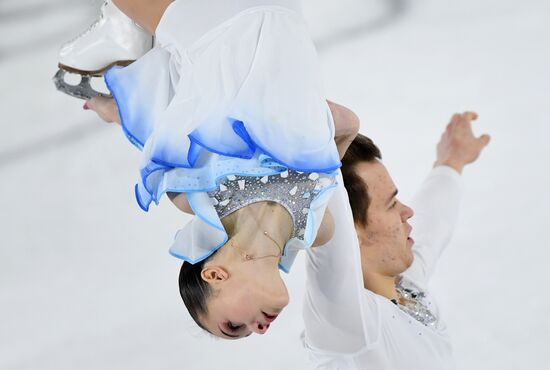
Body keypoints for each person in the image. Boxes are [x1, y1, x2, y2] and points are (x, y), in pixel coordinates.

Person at [58, 0, 360, 338]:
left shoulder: (195, 199)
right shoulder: (318, 228)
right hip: (273, 19)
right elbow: (347, 123)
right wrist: (300, 115)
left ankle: (123, 29)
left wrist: (113, 111)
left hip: (221, 27)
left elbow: (163, 126)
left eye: (233, 326)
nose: (258, 330)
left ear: (215, 276)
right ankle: (125, 28)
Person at [303, 112, 490, 369]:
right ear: (350, 230)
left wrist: (452, 160)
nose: (407, 212)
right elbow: (330, 235)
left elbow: (432, 223)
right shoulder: (352, 325)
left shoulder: (406, 283)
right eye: (391, 204)